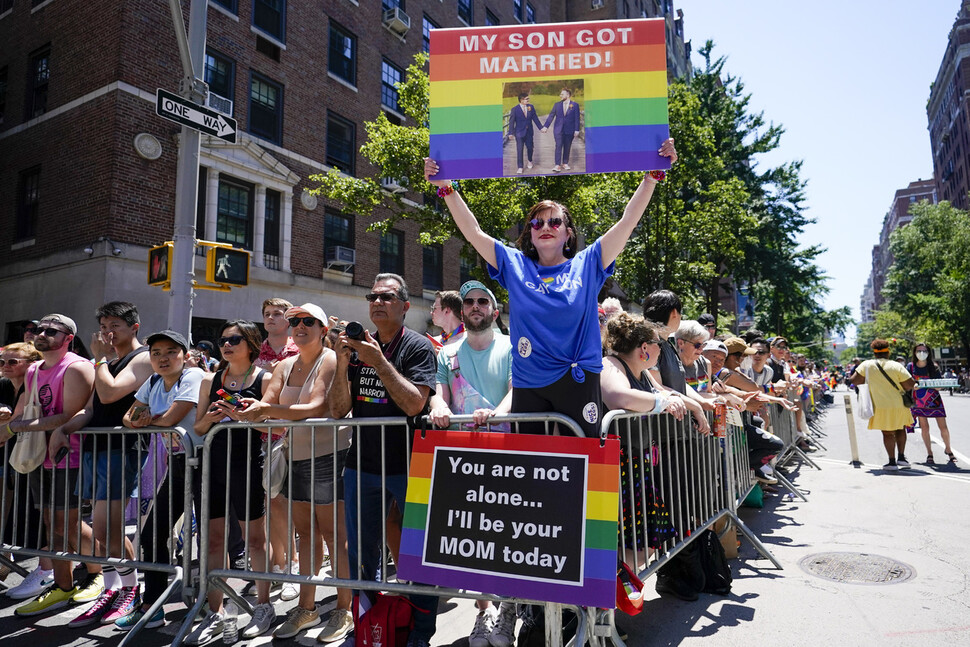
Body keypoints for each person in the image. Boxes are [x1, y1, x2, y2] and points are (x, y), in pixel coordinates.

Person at [424, 138, 678, 438]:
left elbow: (626, 222)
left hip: (578, 382)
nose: (545, 227)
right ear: (529, 234)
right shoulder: (513, 263)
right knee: (531, 469)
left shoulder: (590, 262)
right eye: (537, 223)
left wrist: (652, 177)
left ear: (568, 234)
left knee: (583, 469)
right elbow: (473, 231)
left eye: (554, 222)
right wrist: (446, 186)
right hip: (529, 384)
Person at [330, 273, 439, 647]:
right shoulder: (357, 347)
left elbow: (414, 403)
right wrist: (344, 362)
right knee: (361, 554)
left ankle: (420, 634)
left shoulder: (418, 347)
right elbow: (337, 408)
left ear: (405, 306)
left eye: (387, 297)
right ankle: (367, 627)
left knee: (417, 555)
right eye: (372, 296)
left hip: (409, 466)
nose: (377, 302)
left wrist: (377, 361)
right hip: (361, 464)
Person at [236, 304, 355, 643]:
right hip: (295, 457)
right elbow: (267, 402)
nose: (299, 326)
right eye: (294, 321)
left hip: (330, 455)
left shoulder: (329, 359)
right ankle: (307, 607)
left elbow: (318, 406)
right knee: (306, 535)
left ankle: (343, 609)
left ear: (321, 328)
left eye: (308, 321)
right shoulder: (285, 365)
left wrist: (266, 411)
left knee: (335, 537)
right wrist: (243, 410)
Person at [427, 280, 516, 647]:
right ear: (462, 311)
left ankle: (508, 612)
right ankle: (484, 613)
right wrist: (440, 407)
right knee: (475, 541)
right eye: (469, 302)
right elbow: (438, 395)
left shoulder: (512, 348)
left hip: (508, 458)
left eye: (483, 301)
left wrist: (496, 413)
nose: (476, 306)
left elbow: (516, 391)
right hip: (464, 461)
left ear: (494, 311)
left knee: (509, 538)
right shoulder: (447, 352)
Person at [59, 301, 154, 629]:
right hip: (96, 448)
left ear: (134, 327)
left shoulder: (144, 357)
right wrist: (62, 430)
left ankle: (130, 590)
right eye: (103, 326)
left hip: (122, 448)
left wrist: (98, 358)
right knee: (102, 531)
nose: (107, 332)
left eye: (115, 325)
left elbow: (112, 393)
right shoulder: (106, 361)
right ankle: (115, 589)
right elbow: (91, 408)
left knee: (105, 527)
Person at [3, 315, 103, 617]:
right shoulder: (33, 369)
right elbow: (24, 411)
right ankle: (63, 586)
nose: (41, 334)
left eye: (51, 331)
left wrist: (16, 428)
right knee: (52, 523)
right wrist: (9, 423)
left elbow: (69, 416)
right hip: (39, 455)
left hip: (69, 455)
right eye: (38, 330)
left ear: (68, 338)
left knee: (67, 523)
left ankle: (97, 575)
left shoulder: (76, 367)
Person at [192, 320, 275, 642]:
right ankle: (216, 611)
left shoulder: (263, 378)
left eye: (234, 339)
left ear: (251, 344)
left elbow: (271, 423)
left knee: (255, 538)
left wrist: (245, 417)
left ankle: (263, 606)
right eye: (223, 340)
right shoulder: (209, 380)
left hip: (249, 464)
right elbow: (198, 429)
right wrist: (211, 419)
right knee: (212, 540)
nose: (226, 345)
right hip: (214, 465)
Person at [125, 330, 205, 633]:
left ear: (184, 355)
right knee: (152, 534)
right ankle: (151, 607)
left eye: (171, 351)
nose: (163, 358)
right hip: (176, 462)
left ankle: (211, 604)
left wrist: (145, 419)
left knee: (211, 537)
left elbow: (171, 418)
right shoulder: (154, 381)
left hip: (207, 461)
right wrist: (142, 419)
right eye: (156, 352)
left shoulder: (194, 376)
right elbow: (127, 417)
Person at [0, 342, 43, 587]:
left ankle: (95, 571)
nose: (5, 366)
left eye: (12, 362)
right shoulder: (7, 386)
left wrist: (6, 426)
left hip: (36, 459)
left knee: (55, 523)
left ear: (30, 364)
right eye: (2, 361)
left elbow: (10, 429)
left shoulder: (32, 387)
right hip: (16, 460)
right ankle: (5, 560)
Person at [850, 339, 916, 471]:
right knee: (900, 429)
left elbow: (854, 381)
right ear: (888, 352)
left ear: (874, 353)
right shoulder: (896, 365)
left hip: (880, 406)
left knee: (887, 433)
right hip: (899, 404)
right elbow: (910, 384)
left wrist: (870, 379)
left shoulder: (866, 365)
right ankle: (901, 458)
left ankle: (892, 462)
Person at [906, 343, 956, 464]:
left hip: (934, 399)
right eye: (919, 351)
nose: (921, 353)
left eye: (924, 351)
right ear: (914, 352)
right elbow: (907, 382)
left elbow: (939, 384)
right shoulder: (910, 366)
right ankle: (930, 453)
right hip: (919, 400)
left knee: (943, 426)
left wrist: (938, 386)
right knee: (925, 427)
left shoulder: (933, 367)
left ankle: (948, 449)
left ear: (928, 353)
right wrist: (913, 386)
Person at [541, 88, 582, 172]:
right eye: (560, 94)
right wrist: (545, 126)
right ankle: (557, 165)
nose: (560, 95)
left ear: (568, 95)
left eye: (562, 94)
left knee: (567, 146)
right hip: (558, 129)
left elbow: (577, 119)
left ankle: (565, 163)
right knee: (558, 145)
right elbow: (551, 116)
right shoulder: (557, 105)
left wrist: (577, 130)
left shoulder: (575, 105)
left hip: (570, 130)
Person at [256, 297, 299, 370]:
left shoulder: (301, 350)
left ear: (289, 320)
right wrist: (263, 373)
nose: (270, 317)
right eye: (267, 314)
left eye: (276, 314)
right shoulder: (254, 352)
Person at [506, 92, 543, 174]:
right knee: (520, 149)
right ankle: (520, 167)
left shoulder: (531, 107)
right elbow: (511, 122)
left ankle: (530, 160)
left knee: (530, 147)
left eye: (528, 99)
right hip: (519, 132)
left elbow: (535, 118)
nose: (528, 100)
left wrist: (541, 128)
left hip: (529, 132)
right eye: (527, 99)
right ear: (521, 100)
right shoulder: (515, 109)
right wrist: (510, 133)